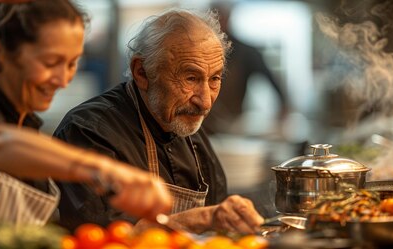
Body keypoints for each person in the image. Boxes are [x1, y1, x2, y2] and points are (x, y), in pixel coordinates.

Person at [0, 0, 171, 236]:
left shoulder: (26, 129)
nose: (63, 79)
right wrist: (106, 170)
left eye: (72, 63)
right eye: (51, 63)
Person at [53, 9, 264, 234]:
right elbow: (98, 238)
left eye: (214, 79)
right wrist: (198, 218)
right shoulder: (88, 132)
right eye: (190, 78)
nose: (204, 102)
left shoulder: (195, 139)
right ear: (142, 72)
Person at [202, 2, 289, 135]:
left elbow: (273, 81)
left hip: (232, 126)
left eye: (221, 18)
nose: (217, 23)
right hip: (201, 125)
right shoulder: (197, 51)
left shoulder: (246, 52)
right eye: (213, 18)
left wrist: (283, 108)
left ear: (229, 18)